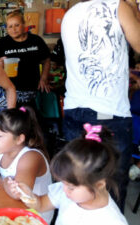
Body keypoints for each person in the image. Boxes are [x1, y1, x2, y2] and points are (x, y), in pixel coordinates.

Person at [61, 0, 140, 211]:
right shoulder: (118, 6)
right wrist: (134, 10)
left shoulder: (70, 13)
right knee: (110, 184)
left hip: (73, 110)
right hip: (108, 114)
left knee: (77, 182)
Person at [9, 124, 128, 225]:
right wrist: (27, 195)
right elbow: (41, 205)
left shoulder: (112, 221)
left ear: (99, 184)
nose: (65, 190)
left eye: (70, 187)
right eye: (63, 183)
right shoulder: (68, 189)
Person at [0, 11, 51, 108]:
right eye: (10, 26)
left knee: (31, 119)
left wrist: (44, 78)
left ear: (23, 25)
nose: (13, 29)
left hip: (32, 92)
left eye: (17, 25)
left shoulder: (36, 40)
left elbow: (46, 60)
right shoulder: (0, 44)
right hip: (9, 93)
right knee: (13, 121)